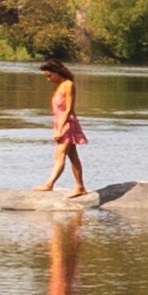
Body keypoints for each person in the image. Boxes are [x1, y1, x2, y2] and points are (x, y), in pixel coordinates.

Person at [37, 55, 88, 195]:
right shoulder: (60, 86)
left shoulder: (68, 85)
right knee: (73, 157)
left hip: (68, 125)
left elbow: (68, 109)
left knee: (59, 155)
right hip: (62, 124)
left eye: (49, 76)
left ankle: (49, 184)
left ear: (56, 72)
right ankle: (80, 187)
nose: (48, 80)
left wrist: (59, 129)